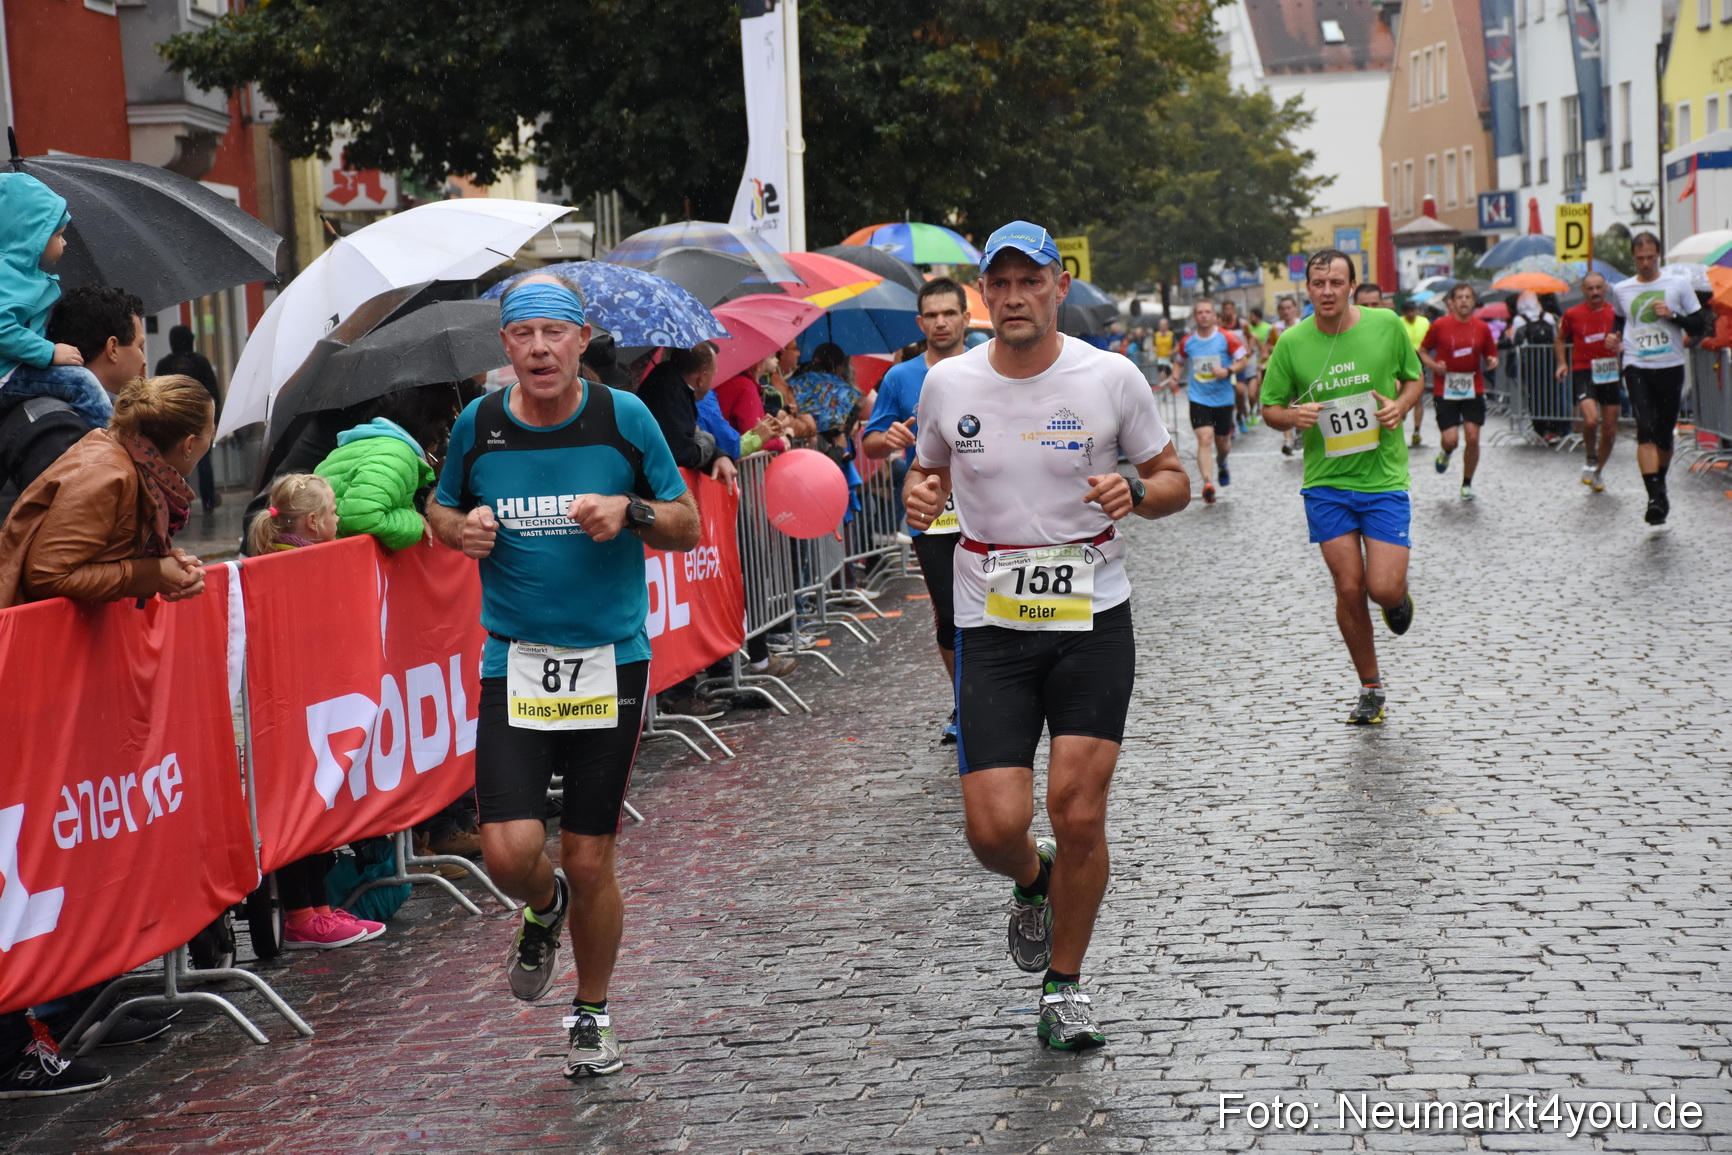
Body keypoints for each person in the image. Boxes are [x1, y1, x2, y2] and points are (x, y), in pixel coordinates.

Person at [903, 221, 1190, 1051]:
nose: (1017, 296)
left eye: (1033, 281)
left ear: (1059, 286)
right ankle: (1034, 882)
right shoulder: (949, 386)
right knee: (993, 828)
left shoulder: (1110, 377)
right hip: (990, 618)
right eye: (1003, 283)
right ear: (982, 295)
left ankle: (1064, 987)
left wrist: (1137, 488)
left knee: (1077, 809)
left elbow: (1173, 479)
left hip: (1092, 615)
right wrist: (921, 496)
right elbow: (927, 470)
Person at [426, 275, 700, 1080]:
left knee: (588, 856)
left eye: (555, 332)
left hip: (609, 662)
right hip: (513, 661)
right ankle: (542, 911)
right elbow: (440, 509)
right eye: (524, 335)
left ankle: (593, 1011)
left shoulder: (625, 418)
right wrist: (461, 528)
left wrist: (633, 512)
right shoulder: (479, 425)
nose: (540, 348)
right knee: (510, 855)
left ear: (582, 340)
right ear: (504, 348)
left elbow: (685, 521)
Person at [1260, 249, 1423, 726]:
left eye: (1336, 282)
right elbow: (1269, 408)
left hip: (1383, 479)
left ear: (1353, 286)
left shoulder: (1387, 325)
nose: (1327, 291)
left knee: (1382, 587)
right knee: (1349, 586)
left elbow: (1414, 379)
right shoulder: (1292, 343)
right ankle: (1370, 687)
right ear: (1306, 289)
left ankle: (1398, 599)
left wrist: (1400, 406)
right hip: (1327, 484)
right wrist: (1293, 416)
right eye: (1318, 283)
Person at [862, 277, 970, 742]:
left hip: (993, 507)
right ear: (920, 322)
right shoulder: (900, 377)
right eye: (933, 315)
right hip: (934, 515)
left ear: (967, 317)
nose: (942, 322)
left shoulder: (992, 363)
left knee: (999, 606)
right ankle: (966, 704)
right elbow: (869, 442)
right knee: (950, 613)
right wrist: (886, 440)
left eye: (950, 313)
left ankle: (1001, 697)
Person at [0, 374, 211, 608]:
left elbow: (102, 554)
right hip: (32, 633)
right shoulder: (109, 476)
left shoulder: (133, 466)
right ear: (189, 444)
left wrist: (165, 567)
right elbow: (45, 575)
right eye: (210, 432)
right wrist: (155, 573)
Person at [0, 286, 148, 506]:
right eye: (140, 346)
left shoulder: (58, 415)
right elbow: (71, 527)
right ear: (113, 348)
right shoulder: (58, 427)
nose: (144, 360)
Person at [0, 173, 110, 431]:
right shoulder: (7, 276)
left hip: (12, 369)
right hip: (6, 374)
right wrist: (48, 352)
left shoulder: (20, 273)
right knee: (82, 383)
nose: (65, 242)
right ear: (33, 236)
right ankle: (113, 459)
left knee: (105, 397)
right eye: (59, 234)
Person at [1611, 232, 1707, 526]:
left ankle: (1660, 486)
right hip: (1636, 364)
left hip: (1670, 365)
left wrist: (1673, 316)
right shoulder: (1622, 289)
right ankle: (1654, 497)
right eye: (1640, 258)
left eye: (1650, 257)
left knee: (1664, 434)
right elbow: (1619, 320)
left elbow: (1699, 323)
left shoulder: (1677, 285)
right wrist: (1614, 338)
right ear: (1633, 258)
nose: (1645, 263)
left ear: (1658, 255)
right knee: (1646, 429)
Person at [1420, 283, 1499, 501]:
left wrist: (1493, 361)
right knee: (1451, 440)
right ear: (1451, 303)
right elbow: (1423, 350)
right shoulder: (1439, 325)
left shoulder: (1482, 327)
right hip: (1445, 389)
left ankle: (1467, 484)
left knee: (1473, 437)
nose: (1464, 301)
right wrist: (1434, 366)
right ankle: (1446, 452)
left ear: (1473, 301)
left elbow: (1491, 354)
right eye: (1460, 297)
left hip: (1473, 387)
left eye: (1468, 297)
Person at [1166, 299, 1246, 503]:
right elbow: (1179, 362)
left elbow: (1243, 360)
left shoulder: (1226, 338)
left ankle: (1221, 461)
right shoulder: (1188, 342)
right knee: (1205, 438)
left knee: (1222, 444)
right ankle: (1208, 484)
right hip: (1198, 398)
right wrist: (1174, 377)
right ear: (1195, 317)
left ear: (1214, 316)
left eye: (1207, 312)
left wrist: (1227, 370)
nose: (1203, 315)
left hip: (1223, 399)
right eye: (1199, 312)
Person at [1554, 272, 1623, 491]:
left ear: (1605, 289)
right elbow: (1560, 338)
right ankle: (1590, 456)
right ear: (1584, 291)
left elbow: (1627, 337)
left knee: (1610, 430)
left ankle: (1598, 471)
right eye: (1590, 289)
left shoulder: (1616, 313)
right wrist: (1562, 363)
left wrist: (1621, 349)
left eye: (1598, 288)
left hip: (1610, 372)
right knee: (1591, 421)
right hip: (1584, 371)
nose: (1594, 292)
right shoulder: (1572, 314)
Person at [154, 325, 224, 512]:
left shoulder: (164, 365)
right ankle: (208, 500)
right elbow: (213, 393)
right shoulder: (200, 362)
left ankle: (177, 500)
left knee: (172, 460)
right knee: (203, 459)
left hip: (171, 421)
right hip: (199, 419)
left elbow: (156, 395)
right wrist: (214, 419)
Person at [1399, 298, 1431, 447]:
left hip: (1419, 360)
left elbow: (1431, 340)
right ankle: (1401, 411)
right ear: (1403, 313)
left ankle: (1417, 431)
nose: (1411, 314)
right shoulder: (1398, 322)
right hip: (1400, 361)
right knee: (1399, 393)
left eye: (1413, 311)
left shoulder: (1424, 322)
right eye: (1408, 312)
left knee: (1418, 398)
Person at [1218, 299, 1252, 431]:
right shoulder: (1219, 325)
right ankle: (1230, 423)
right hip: (1225, 364)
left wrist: (1248, 348)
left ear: (1234, 310)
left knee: (1240, 391)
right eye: (1225, 309)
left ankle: (1240, 415)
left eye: (1230, 309)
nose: (1228, 311)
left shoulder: (1242, 324)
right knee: (1228, 394)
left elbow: (1250, 336)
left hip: (1238, 363)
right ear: (1222, 310)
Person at [1152, 317, 1175, 383]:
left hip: (1169, 358)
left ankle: (1172, 391)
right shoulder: (1156, 335)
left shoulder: (1171, 334)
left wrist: (1172, 351)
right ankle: (1164, 392)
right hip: (1160, 359)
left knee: (1170, 377)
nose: (1162, 326)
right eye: (1161, 325)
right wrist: (1154, 348)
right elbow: (1153, 345)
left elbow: (1177, 346)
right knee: (1162, 375)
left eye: (1163, 325)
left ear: (1167, 325)